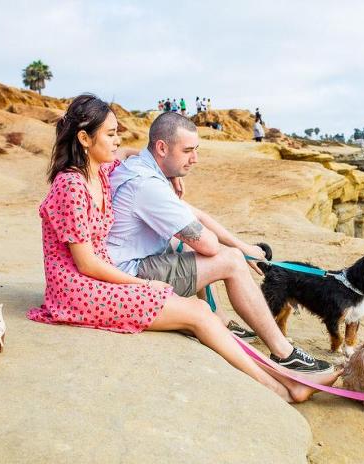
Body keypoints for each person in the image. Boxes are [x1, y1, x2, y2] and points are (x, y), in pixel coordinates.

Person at [29, 96, 337, 404]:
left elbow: (127, 152)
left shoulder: (100, 170)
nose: (117, 140)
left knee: (201, 311)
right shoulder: (71, 185)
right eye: (110, 134)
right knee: (199, 314)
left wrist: (170, 175)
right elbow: (86, 264)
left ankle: (287, 379)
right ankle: (282, 388)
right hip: (79, 290)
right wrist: (143, 285)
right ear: (85, 139)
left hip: (101, 276)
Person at [108, 112, 336, 374]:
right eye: (187, 151)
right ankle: (284, 352)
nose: (195, 158)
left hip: (123, 259)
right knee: (231, 261)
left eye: (196, 149)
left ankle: (221, 318)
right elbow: (209, 246)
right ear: (161, 148)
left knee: (193, 241)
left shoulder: (138, 165)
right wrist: (240, 253)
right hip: (129, 277)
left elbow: (196, 216)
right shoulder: (149, 187)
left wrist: (246, 248)